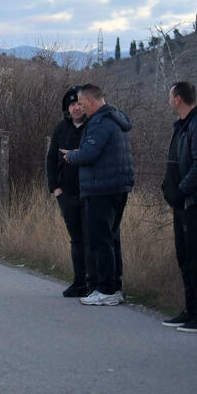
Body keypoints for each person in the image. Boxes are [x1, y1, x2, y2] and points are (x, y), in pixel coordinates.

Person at [62, 84, 134, 306]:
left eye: (82, 104)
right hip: (117, 186)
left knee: (100, 239)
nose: (81, 108)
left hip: (101, 188)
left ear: (91, 101)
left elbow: (89, 154)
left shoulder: (100, 122)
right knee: (111, 238)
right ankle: (114, 286)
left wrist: (72, 156)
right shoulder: (116, 119)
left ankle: (106, 288)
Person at [160, 82, 197, 333]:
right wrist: (168, 188)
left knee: (196, 257)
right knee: (185, 256)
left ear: (179, 99)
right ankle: (190, 310)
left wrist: (181, 190)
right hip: (182, 202)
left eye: (170, 97)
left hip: (194, 201)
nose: (169, 101)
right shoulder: (183, 126)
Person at [45, 86, 91, 297]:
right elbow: (51, 160)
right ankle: (79, 282)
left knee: (93, 239)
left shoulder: (93, 127)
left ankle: (95, 283)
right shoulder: (61, 129)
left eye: (79, 104)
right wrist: (55, 188)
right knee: (77, 239)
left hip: (90, 192)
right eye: (72, 105)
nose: (76, 108)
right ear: (67, 108)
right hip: (67, 194)